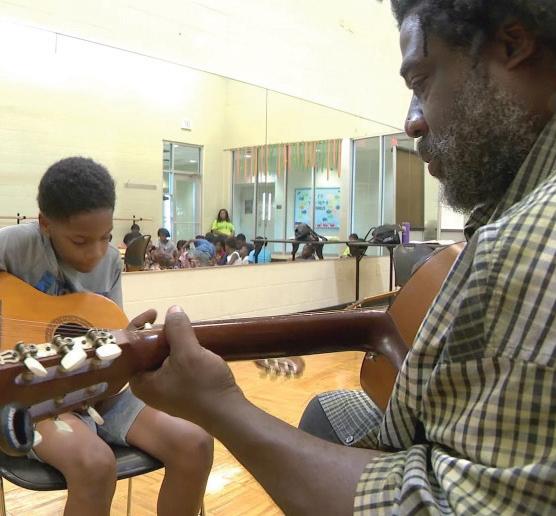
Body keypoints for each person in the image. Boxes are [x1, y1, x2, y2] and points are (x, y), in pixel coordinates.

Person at [130, 1, 556, 514]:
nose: (412, 121)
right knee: (332, 411)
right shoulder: (508, 214)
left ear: (512, 45)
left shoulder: (534, 238)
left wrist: (218, 405)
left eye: (421, 81)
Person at [0, 157, 212, 516]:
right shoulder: (12, 245)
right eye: (80, 241)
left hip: (99, 394)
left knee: (196, 444)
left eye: (105, 237)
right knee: (96, 466)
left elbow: (107, 332)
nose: (96, 252)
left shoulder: (111, 262)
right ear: (45, 224)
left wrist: (129, 342)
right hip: (29, 398)